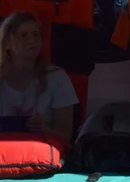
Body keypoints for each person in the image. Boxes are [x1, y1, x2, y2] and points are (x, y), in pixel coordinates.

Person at [0, 11, 77, 143]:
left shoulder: (57, 77)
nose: (32, 41)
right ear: (7, 42)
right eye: (23, 35)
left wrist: (47, 129)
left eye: (36, 35)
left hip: (40, 155)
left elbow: (67, 135)